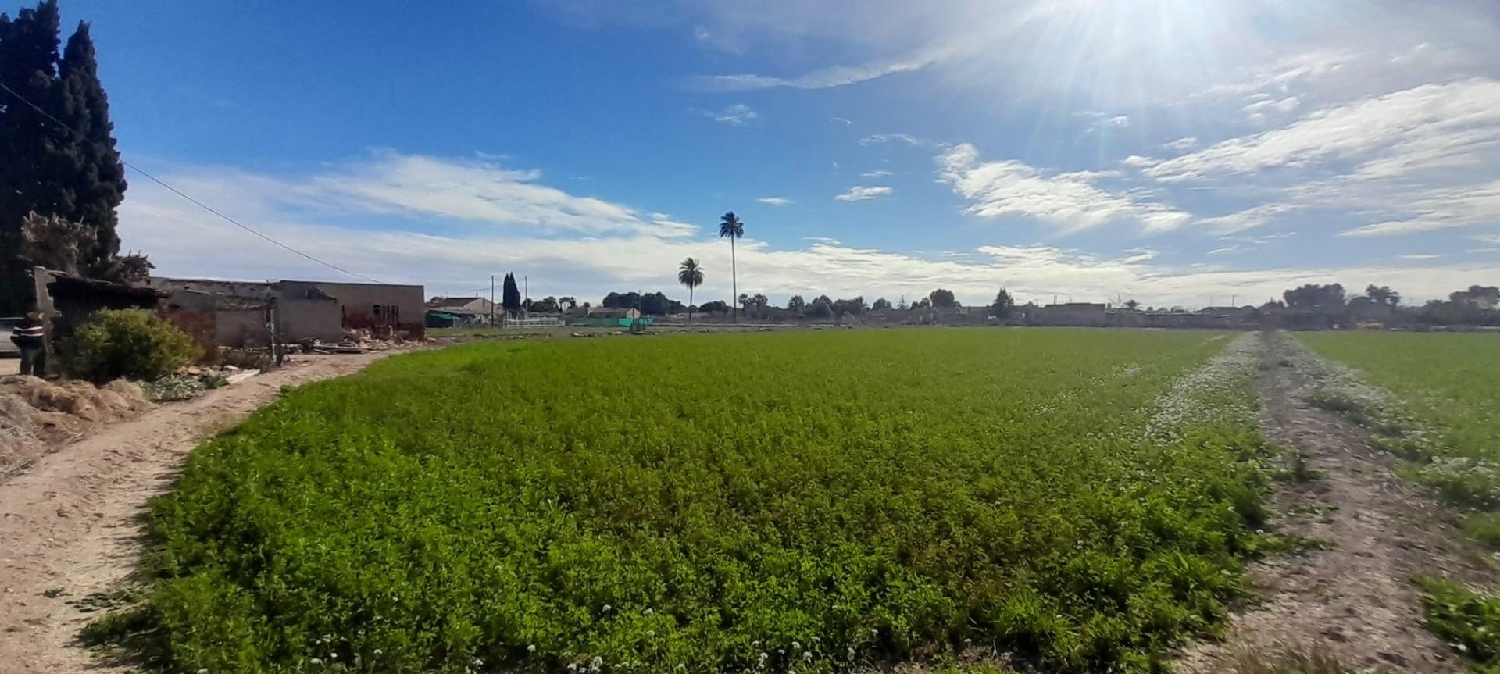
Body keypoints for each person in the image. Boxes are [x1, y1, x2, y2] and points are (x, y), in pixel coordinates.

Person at [10, 313, 46, 377]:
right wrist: (23, 346)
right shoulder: (21, 323)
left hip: (40, 347)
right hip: (28, 348)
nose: (38, 316)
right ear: (30, 314)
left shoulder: (39, 322)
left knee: (40, 364)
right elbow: (14, 337)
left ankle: (39, 377)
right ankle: (25, 378)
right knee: (27, 364)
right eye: (37, 314)